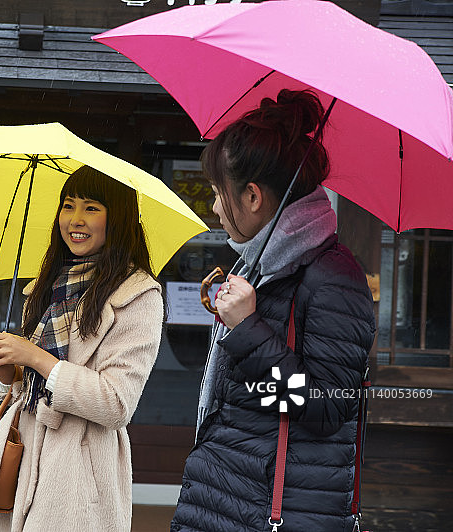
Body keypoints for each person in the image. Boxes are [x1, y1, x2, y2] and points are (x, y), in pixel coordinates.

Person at [170, 90, 376, 532]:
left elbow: (324, 407)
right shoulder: (258, 267)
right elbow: (246, 399)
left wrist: (247, 329)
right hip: (226, 498)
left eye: (216, 193)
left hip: (273, 513)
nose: (212, 207)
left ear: (252, 197)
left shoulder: (332, 278)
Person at [0, 165, 164, 532]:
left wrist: (33, 356)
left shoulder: (138, 296)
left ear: (118, 218)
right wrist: (7, 372)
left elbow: (116, 404)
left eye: (92, 208)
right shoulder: (44, 287)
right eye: (68, 205)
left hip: (80, 473)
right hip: (23, 463)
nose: (75, 219)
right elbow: (26, 390)